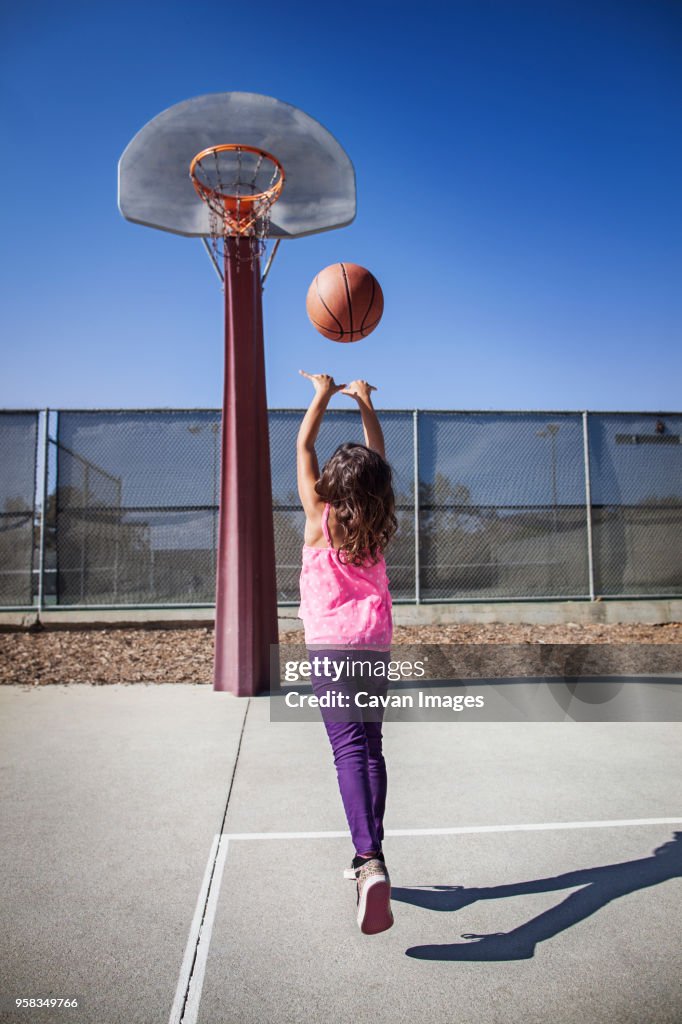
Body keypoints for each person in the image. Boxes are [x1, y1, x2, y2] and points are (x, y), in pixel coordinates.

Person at [296, 370, 397, 935]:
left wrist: (322, 393)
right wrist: (362, 403)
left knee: (346, 751)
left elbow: (304, 444)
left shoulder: (320, 518)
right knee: (371, 746)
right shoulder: (377, 522)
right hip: (374, 643)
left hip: (333, 646)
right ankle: (368, 855)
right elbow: (376, 459)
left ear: (333, 486)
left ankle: (369, 860)